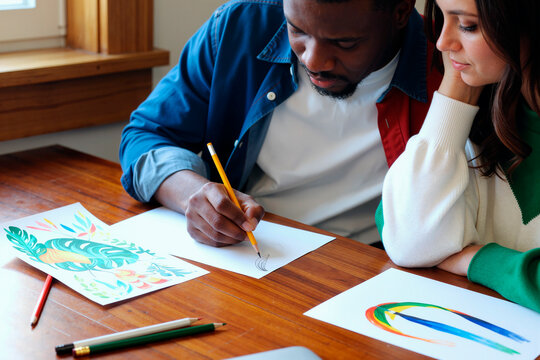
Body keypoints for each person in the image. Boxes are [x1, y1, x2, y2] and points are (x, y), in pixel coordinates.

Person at [119, 0, 442, 248]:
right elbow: (147, 134)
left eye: (344, 43)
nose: (313, 61)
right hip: (248, 249)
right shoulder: (239, 26)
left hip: (365, 262)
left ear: (400, 11)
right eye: (297, 30)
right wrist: (192, 193)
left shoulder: (450, 67)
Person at [377, 0, 540, 312]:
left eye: (468, 25)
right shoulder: (479, 117)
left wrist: (477, 259)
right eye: (442, 16)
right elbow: (409, 239)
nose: (441, 43)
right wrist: (454, 92)